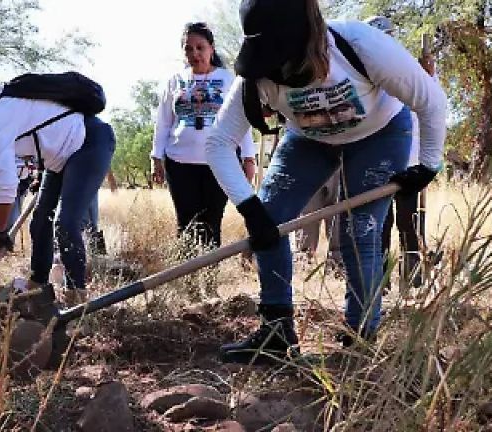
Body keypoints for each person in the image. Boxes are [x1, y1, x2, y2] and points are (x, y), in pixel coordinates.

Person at [205, 0, 447, 363]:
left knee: (359, 232)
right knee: (270, 215)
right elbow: (218, 143)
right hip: (309, 139)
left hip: (379, 134)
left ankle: (360, 337)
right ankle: (276, 331)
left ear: (309, 37)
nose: (278, 71)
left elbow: (432, 101)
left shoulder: (362, 46)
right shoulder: (257, 75)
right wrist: (250, 208)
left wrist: (427, 166)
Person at [0, 81, 115, 306]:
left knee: (65, 224)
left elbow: (7, 183)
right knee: (40, 221)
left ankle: (77, 299)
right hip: (59, 159)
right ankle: (38, 289)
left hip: (89, 143)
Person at [151, 22, 257, 249]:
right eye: (188, 49)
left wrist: (248, 157)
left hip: (219, 162)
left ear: (211, 48)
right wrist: (156, 158)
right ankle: (188, 281)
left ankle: (208, 281)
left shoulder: (229, 79)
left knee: (211, 224)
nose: (195, 54)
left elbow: (243, 119)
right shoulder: (175, 81)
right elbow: (163, 123)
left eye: (200, 47)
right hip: (179, 163)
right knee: (186, 225)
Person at [365, 15, 436, 292]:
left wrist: (428, 77)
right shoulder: (365, 72)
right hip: (378, 161)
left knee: (409, 223)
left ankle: (413, 276)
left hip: (409, 163)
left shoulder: (408, 68)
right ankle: (380, 281)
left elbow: (431, 105)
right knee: (380, 224)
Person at [82, 169, 117, 255]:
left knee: (91, 225)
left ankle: (96, 255)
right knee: (87, 225)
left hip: (90, 185)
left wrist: (111, 179)